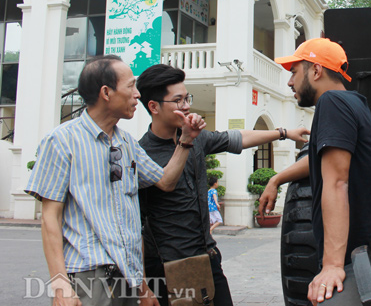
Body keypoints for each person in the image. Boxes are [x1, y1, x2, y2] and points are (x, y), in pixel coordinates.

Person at [25, 55, 206, 306]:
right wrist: (61, 286)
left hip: (129, 278)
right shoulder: (62, 141)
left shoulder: (127, 144)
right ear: (106, 92)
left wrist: (186, 139)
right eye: (131, 86)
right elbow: (50, 219)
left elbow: (164, 182)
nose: (138, 95)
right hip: (90, 276)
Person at [135, 63, 310, 306]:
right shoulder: (141, 153)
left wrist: (283, 133)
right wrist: (143, 287)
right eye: (178, 101)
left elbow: (236, 138)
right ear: (153, 106)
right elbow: (161, 188)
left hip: (207, 256)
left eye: (187, 98)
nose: (186, 106)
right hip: (169, 266)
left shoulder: (196, 138)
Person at [258, 38, 371, 305]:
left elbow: (337, 181)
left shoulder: (332, 102)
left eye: (294, 72)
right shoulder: (354, 102)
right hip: (360, 253)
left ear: (316, 71)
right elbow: (322, 162)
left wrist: (332, 265)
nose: (290, 82)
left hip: (348, 261)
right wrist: (277, 179)